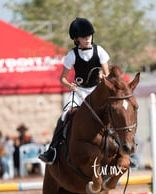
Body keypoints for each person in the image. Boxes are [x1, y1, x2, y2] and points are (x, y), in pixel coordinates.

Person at [39, 17, 110, 164]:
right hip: (80, 92)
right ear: (77, 39)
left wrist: (103, 76)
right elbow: (62, 79)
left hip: (97, 90)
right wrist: (70, 86)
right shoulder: (72, 55)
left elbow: (108, 74)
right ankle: (52, 150)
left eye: (89, 36)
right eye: (84, 37)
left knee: (114, 111)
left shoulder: (100, 51)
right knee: (64, 115)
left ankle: (125, 150)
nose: (88, 39)